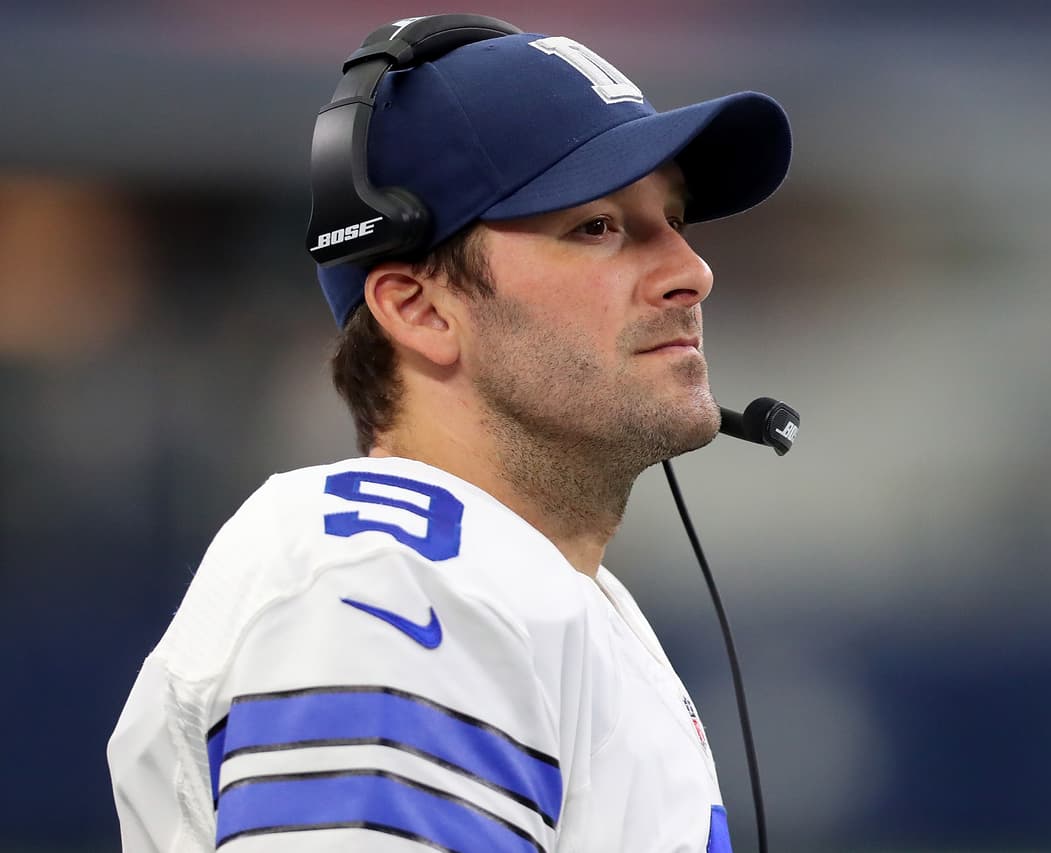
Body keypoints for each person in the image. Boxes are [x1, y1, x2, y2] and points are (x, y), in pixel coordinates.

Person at [108, 16, 790, 853]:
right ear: (420, 309)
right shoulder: (394, 578)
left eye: (675, 219)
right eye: (597, 227)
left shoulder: (527, 590)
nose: (692, 271)